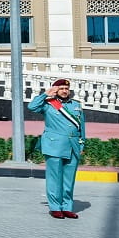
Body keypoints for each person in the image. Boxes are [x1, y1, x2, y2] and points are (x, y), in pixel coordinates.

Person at [27, 78, 86, 219]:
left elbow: (81, 126)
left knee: (69, 179)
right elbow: (32, 107)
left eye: (67, 89)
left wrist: (82, 143)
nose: (65, 91)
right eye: (61, 89)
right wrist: (45, 94)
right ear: (55, 90)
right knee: (55, 177)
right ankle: (55, 207)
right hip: (54, 145)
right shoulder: (48, 104)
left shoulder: (76, 105)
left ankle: (67, 207)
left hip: (73, 146)